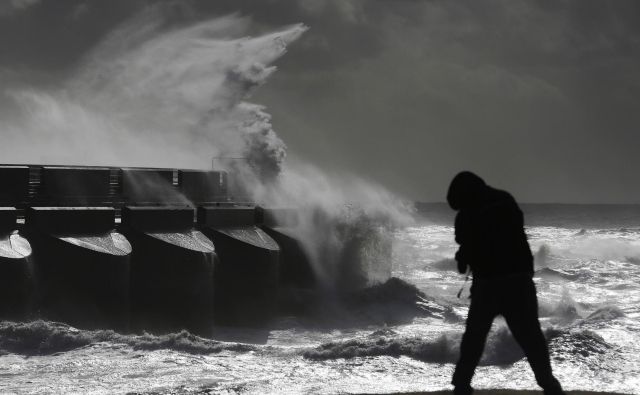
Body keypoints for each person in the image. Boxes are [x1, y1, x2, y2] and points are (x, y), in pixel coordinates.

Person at [447, 171, 564, 395]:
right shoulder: (504, 200)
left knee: (474, 338)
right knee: (531, 339)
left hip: (493, 285)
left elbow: (469, 250)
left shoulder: (470, 214)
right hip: (516, 281)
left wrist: (465, 256)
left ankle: (461, 386)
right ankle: (549, 384)